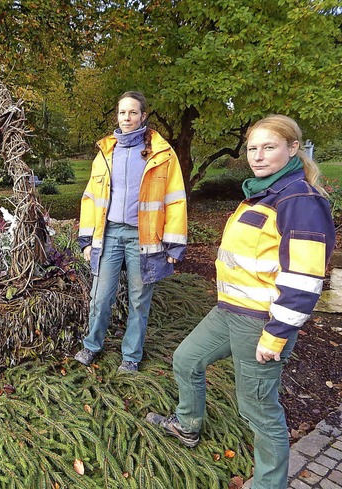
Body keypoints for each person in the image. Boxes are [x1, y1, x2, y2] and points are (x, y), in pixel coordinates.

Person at [146, 115, 336, 489]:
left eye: (269, 147)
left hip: (260, 323)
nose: (258, 156)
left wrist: (276, 334)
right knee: (186, 360)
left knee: (259, 411)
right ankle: (187, 426)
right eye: (252, 148)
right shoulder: (263, 192)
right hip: (228, 312)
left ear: (293, 148)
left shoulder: (299, 200)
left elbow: (304, 278)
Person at [74, 91, 187, 373]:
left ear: (143, 116)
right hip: (109, 233)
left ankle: (131, 356)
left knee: (139, 300)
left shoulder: (162, 153)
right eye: (122, 112)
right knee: (100, 297)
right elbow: (91, 197)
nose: (127, 118)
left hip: (143, 238)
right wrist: (87, 240)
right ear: (117, 116)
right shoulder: (105, 151)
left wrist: (173, 244)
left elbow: (175, 198)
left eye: (133, 113)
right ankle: (91, 346)